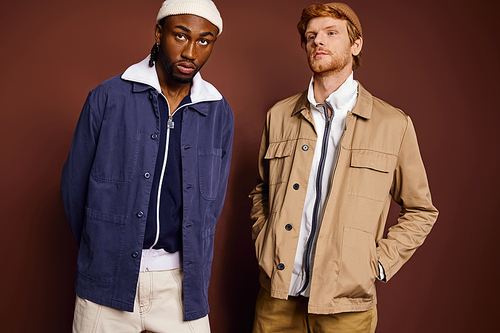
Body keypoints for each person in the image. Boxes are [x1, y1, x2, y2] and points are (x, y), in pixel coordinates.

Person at [249, 2, 438, 332]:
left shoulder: (393, 123)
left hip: (347, 308)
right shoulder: (278, 115)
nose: (318, 41)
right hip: (276, 299)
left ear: (355, 44)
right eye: (311, 36)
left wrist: (376, 264)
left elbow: (421, 210)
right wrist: (266, 241)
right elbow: (261, 191)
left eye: (331, 33)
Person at [61, 0, 233, 332]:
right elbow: (74, 190)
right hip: (106, 280)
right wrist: (103, 247)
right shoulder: (108, 96)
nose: (191, 51)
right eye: (181, 36)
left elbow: (212, 204)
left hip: (182, 286)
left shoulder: (218, 111)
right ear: (158, 33)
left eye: (204, 40)